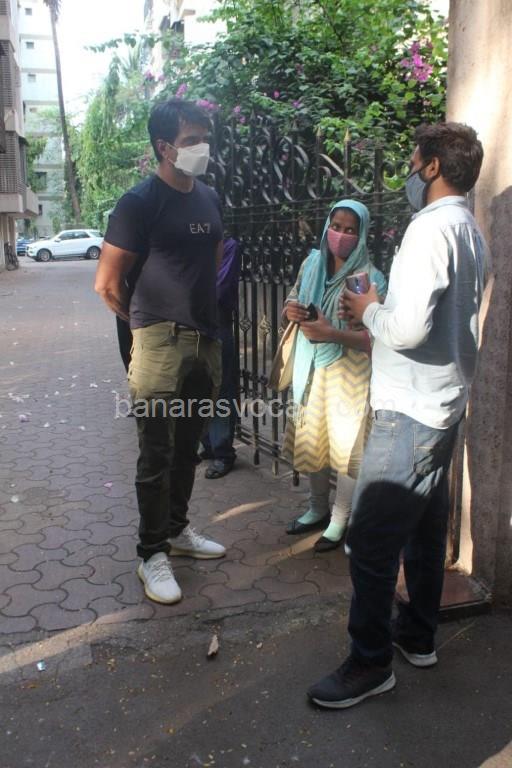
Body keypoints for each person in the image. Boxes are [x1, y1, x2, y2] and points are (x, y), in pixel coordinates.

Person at [308, 122, 487, 708]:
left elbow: (406, 330)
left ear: (433, 166)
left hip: (410, 409)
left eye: (413, 162)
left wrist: (369, 308)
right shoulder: (469, 228)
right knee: (426, 529)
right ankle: (418, 635)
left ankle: (370, 663)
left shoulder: (429, 229)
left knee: (370, 541)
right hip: (442, 403)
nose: (408, 172)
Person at [95, 99, 226, 606]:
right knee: (157, 452)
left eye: (204, 138)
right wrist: (145, 327)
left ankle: (176, 529)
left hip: (204, 340)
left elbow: (213, 257)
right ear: (164, 147)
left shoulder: (209, 197)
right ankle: (151, 553)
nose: (202, 148)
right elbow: (107, 284)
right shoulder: (138, 203)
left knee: (189, 445)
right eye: (192, 140)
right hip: (159, 342)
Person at [282, 200, 386, 551]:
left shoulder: (370, 280)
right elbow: (294, 294)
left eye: (350, 229)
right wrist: (290, 308)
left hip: (349, 372)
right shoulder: (311, 264)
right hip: (310, 365)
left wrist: (333, 333)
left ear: (362, 234)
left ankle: (340, 519)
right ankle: (316, 508)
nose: (340, 235)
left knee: (346, 447)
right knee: (313, 439)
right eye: (336, 226)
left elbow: (376, 338)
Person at [200, 236, 241, 479]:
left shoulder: (228, 246)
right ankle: (207, 443)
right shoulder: (190, 242)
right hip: (190, 324)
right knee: (198, 388)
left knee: (222, 390)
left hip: (216, 324)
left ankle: (223, 452)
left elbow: (220, 289)